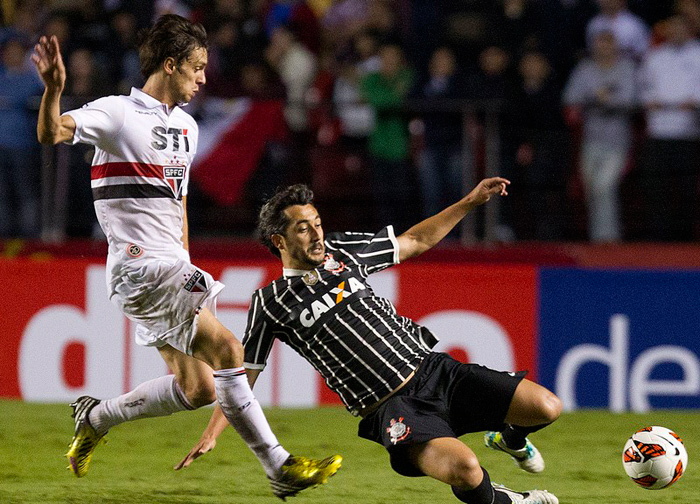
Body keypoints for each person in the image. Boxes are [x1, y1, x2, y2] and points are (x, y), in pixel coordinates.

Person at [32, 14, 340, 499]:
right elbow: (51, 134)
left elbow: (178, 203)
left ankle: (94, 416)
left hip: (172, 265)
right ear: (169, 64)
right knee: (230, 351)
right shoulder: (116, 113)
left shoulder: (188, 129)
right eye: (196, 69)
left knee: (198, 389)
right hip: (139, 267)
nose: (202, 79)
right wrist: (53, 90)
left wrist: (187, 262)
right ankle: (279, 467)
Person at [177, 178, 563, 504]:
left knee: (547, 407)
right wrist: (211, 433)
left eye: (317, 222)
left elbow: (415, 240)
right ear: (279, 240)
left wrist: (469, 201)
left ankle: (509, 439)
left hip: (436, 371)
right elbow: (241, 378)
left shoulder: (344, 251)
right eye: (302, 228)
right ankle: (510, 501)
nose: (316, 234)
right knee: (464, 469)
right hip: (393, 409)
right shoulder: (270, 303)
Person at [563, 30, 636, 242]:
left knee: (604, 185)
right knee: (592, 189)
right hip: (591, 139)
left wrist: (603, 100)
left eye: (608, 42)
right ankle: (598, 236)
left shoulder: (625, 68)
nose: (603, 47)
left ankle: (607, 238)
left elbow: (630, 100)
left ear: (615, 45)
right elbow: (570, 98)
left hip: (617, 140)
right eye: (599, 43)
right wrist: (596, 97)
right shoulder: (585, 69)